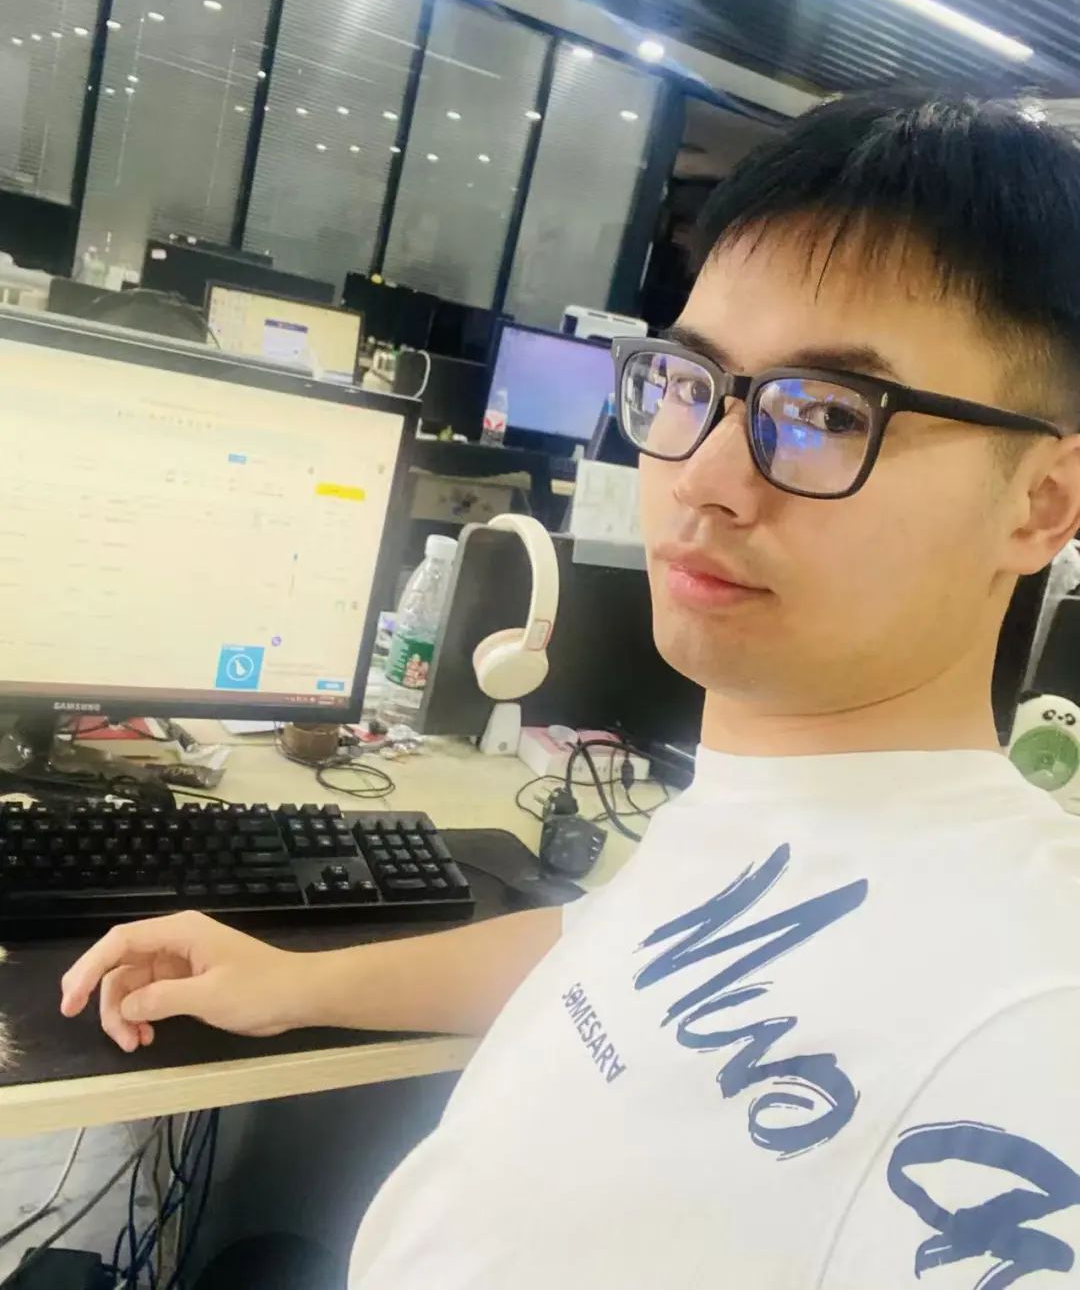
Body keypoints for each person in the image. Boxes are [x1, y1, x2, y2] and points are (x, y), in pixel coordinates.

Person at [60, 92, 1080, 1288]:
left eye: (824, 413)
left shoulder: (1028, 1015)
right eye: (691, 381)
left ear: (1042, 504)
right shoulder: (774, 800)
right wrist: (296, 983)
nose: (703, 476)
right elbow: (611, 942)